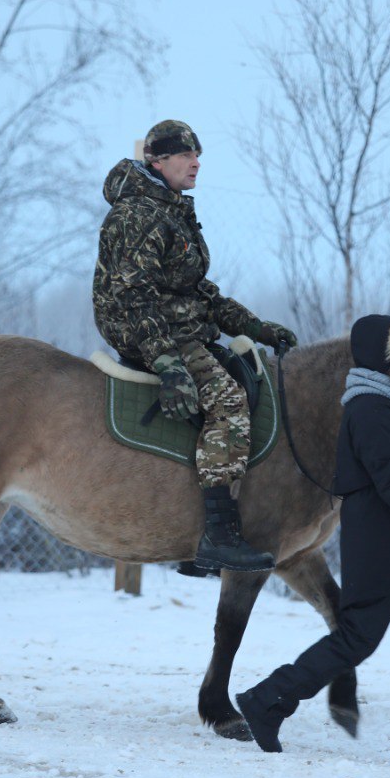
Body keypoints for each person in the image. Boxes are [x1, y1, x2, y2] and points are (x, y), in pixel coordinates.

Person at [236, 306, 390, 771]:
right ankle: (267, 700)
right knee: (356, 641)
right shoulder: (372, 410)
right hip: (386, 550)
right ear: (388, 358)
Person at [92, 119, 298, 574]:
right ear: (157, 160)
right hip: (146, 328)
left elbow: (198, 292)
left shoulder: (169, 209)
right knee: (227, 402)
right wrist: (168, 364)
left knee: (243, 379)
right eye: (186, 155)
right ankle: (218, 538)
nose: (196, 163)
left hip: (173, 325)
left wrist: (257, 328)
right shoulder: (137, 214)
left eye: (197, 154)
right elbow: (132, 297)